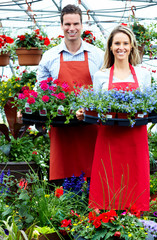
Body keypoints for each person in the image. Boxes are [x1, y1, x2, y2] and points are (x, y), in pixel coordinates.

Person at [76, 25, 151, 211]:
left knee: (135, 177)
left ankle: (135, 225)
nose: (121, 47)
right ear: (110, 46)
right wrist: (83, 111)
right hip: (109, 137)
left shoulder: (143, 74)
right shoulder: (100, 75)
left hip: (135, 137)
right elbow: (95, 106)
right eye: (117, 43)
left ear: (132, 46)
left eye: (125, 43)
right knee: (107, 177)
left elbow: (149, 106)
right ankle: (104, 222)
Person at [37, 4, 104, 181]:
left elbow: (104, 87)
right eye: (67, 24)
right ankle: (64, 206)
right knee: (63, 175)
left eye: (75, 24)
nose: (71, 28)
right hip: (61, 126)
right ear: (61, 26)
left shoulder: (97, 54)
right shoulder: (50, 56)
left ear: (82, 25)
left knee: (93, 174)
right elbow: (41, 88)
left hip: (90, 124)